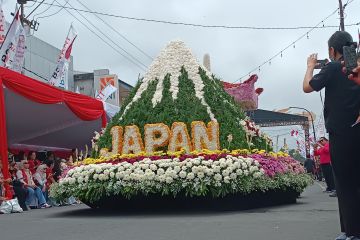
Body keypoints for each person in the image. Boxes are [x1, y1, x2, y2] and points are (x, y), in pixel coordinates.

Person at [303, 31, 360, 240]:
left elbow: (307, 87)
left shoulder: (335, 67)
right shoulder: (357, 66)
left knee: (345, 183)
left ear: (332, 51)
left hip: (341, 132)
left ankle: (351, 232)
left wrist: (310, 66)